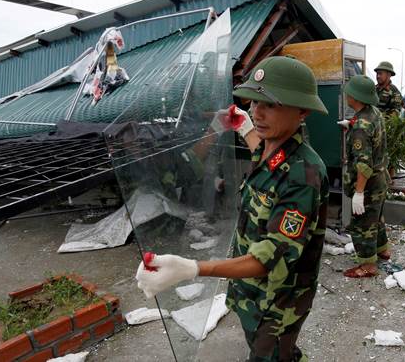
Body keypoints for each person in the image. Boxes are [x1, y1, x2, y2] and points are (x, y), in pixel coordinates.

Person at [135, 56, 329, 362]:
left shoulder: (304, 176)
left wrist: (193, 268)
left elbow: (268, 259)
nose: (258, 112)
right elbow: (262, 154)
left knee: (271, 356)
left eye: (270, 104)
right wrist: (244, 128)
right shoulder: (272, 150)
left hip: (279, 298)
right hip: (251, 288)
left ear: (302, 110)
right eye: (253, 102)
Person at [338, 75, 390, 278]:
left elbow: (364, 165)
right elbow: (372, 134)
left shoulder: (361, 125)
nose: (346, 95)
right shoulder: (373, 113)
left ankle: (368, 266)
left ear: (355, 96)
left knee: (362, 225)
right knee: (376, 218)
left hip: (368, 183)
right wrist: (351, 126)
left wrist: (359, 192)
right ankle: (383, 250)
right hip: (381, 179)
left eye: (348, 92)